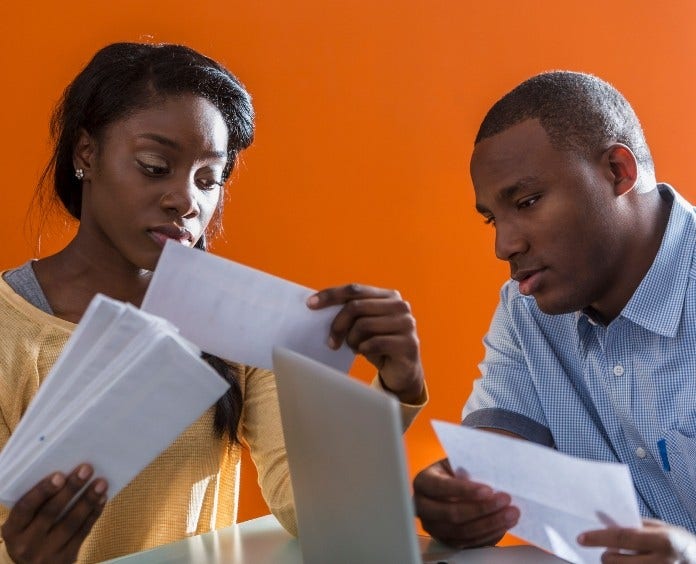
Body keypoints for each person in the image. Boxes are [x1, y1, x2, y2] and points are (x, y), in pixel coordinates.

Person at [0, 42, 427, 564]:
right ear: (85, 153)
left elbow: (317, 512)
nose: (187, 200)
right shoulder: (10, 327)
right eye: (155, 166)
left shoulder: (232, 321)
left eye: (209, 179)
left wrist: (395, 390)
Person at [413, 70, 696, 562]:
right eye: (493, 219)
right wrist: (457, 501)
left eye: (527, 202)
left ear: (618, 172)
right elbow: (491, 469)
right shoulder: (526, 311)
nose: (505, 245)